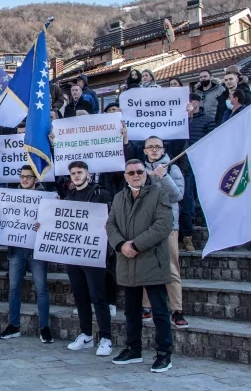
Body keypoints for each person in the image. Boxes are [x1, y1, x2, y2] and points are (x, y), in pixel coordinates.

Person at [107, 159, 174, 373]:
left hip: (152, 261)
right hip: (127, 262)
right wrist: (120, 245)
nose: (136, 175)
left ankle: (164, 353)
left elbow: (163, 225)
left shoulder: (158, 194)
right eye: (131, 172)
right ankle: (133, 349)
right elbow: (110, 225)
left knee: (160, 312)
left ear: (146, 174)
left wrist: (135, 244)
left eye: (139, 171)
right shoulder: (119, 198)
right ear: (125, 176)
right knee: (131, 311)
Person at [60, 161, 114, 355]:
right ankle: (86, 334)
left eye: (79, 172)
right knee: (80, 296)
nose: (76, 175)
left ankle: (106, 338)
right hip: (74, 254)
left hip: (94, 254)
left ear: (88, 174)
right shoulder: (69, 196)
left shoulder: (102, 194)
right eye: (73, 173)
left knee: (99, 298)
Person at [0, 165, 53, 343]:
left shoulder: (48, 197)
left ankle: (45, 327)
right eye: (22, 177)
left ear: (36, 179)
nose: (25, 180)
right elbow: (1, 216)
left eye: (28, 177)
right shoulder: (10, 197)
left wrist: (44, 223)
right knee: (13, 288)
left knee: (41, 288)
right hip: (17, 249)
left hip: (37, 249)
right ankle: (14, 326)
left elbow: (53, 220)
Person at [139, 136, 188, 329]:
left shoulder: (172, 168)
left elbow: (178, 195)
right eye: (150, 147)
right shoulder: (139, 169)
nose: (153, 150)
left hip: (168, 226)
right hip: (144, 227)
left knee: (171, 268)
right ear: (144, 150)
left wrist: (163, 176)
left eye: (157, 147)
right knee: (145, 266)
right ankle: (146, 306)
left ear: (162, 149)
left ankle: (177, 310)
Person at [180, 95, 216, 251]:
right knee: (186, 199)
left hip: (201, 164)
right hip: (184, 165)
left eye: (192, 101)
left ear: (198, 103)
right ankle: (185, 237)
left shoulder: (207, 120)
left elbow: (212, 140)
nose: (190, 104)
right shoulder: (180, 120)